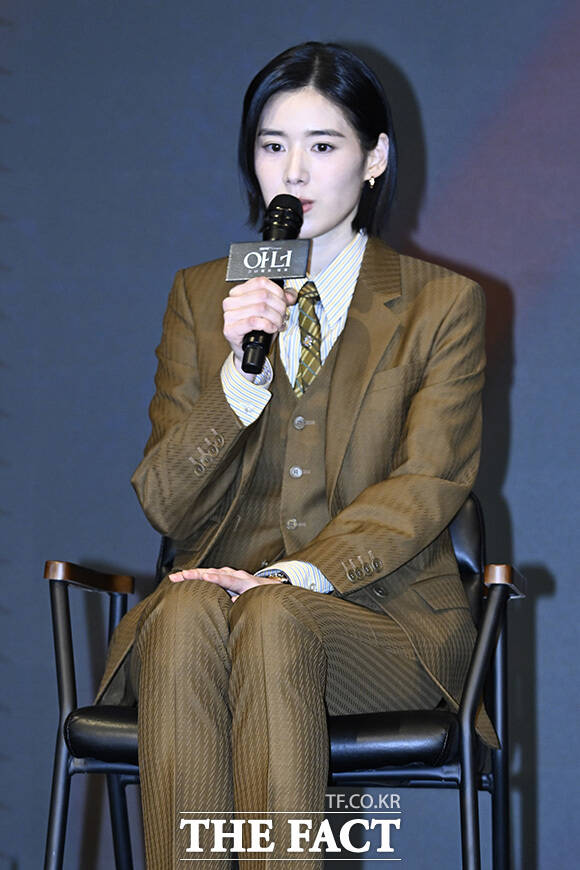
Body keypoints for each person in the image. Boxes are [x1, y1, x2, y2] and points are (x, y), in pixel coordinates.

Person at [96, 41, 494, 868]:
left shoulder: (441, 304)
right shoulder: (203, 294)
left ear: (374, 159)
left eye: (323, 145)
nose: (295, 172)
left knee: (271, 615)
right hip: (207, 620)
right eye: (273, 145)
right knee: (183, 612)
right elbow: (164, 502)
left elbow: (429, 481)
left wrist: (293, 577)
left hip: (381, 624)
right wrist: (238, 382)